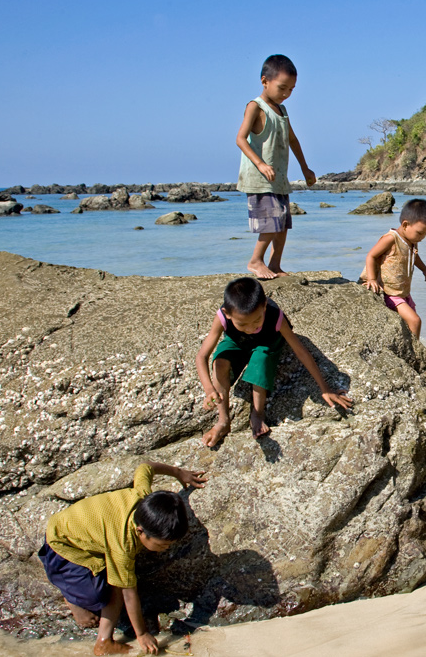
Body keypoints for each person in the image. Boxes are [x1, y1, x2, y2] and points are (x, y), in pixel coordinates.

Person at [39, 462, 208, 655]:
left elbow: (145, 468)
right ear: (140, 531)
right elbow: (127, 593)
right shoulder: (122, 546)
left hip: (86, 528)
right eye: (162, 544)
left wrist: (179, 473)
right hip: (63, 544)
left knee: (117, 579)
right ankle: (75, 603)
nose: (166, 549)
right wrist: (141, 633)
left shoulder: (143, 497)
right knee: (103, 594)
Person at [197, 277, 353, 447]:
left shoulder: (274, 316)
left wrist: (324, 388)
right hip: (238, 341)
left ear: (264, 306)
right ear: (227, 314)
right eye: (242, 323)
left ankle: (257, 413)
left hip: (267, 341)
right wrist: (209, 389)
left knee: (261, 359)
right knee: (220, 362)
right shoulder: (222, 316)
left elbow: (301, 351)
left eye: (257, 320)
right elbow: (202, 356)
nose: (251, 328)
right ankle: (223, 421)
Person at [236, 54, 315, 279]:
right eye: (282, 88)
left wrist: (305, 168)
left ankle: (275, 264)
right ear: (265, 81)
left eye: (291, 90)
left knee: (282, 224)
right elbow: (240, 139)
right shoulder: (255, 107)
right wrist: (260, 164)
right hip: (260, 178)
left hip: (279, 178)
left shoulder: (283, 111)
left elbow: (292, 140)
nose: (286, 94)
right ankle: (255, 261)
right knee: (270, 222)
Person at [360, 199, 426, 337]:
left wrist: (425, 270)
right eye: (420, 233)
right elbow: (371, 256)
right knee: (415, 321)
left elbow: (414, 257)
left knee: (412, 318)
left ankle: (410, 344)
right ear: (405, 224)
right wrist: (372, 279)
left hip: (402, 292)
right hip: (388, 292)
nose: (423, 237)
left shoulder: (412, 241)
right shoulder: (391, 239)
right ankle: (414, 352)